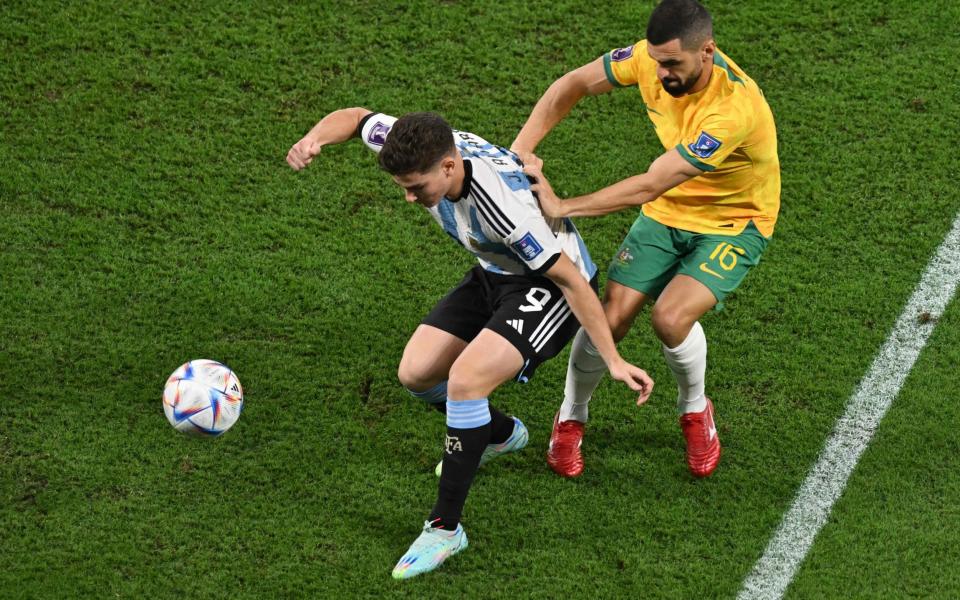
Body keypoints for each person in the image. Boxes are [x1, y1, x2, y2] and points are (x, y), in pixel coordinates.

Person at [287, 109, 653, 578]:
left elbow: (571, 282)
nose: (408, 197)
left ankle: (445, 529)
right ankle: (498, 434)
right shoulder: (420, 145)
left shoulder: (505, 210)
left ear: (448, 166)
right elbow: (358, 119)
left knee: (465, 380)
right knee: (416, 374)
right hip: (495, 274)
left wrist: (614, 359)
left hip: (550, 290)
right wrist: (314, 138)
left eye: (415, 188)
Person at [511, 0, 780, 479]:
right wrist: (520, 150)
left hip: (734, 221)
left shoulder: (732, 110)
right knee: (606, 320)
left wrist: (563, 206)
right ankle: (571, 416)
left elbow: (653, 182)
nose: (661, 72)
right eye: (656, 61)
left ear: (708, 52)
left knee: (670, 318)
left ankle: (695, 410)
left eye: (673, 63)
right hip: (668, 213)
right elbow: (571, 84)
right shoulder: (648, 59)